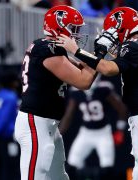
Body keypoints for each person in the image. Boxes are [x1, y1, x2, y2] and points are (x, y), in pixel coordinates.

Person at [57, 6, 138, 180]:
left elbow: (109, 69)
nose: (112, 35)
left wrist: (77, 50)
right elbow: (130, 57)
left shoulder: (134, 48)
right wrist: (109, 50)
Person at [14, 5, 97, 180]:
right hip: (36, 124)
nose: (76, 33)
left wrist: (96, 55)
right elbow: (84, 81)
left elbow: (84, 67)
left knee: (59, 177)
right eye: (73, 28)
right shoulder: (49, 50)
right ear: (60, 27)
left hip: (47, 124)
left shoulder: (48, 47)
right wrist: (99, 55)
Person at [59, 76, 127, 180]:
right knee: (72, 165)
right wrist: (58, 134)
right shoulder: (76, 91)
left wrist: (120, 130)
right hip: (86, 133)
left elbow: (122, 109)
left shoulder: (103, 88)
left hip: (103, 132)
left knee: (107, 169)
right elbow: (69, 115)